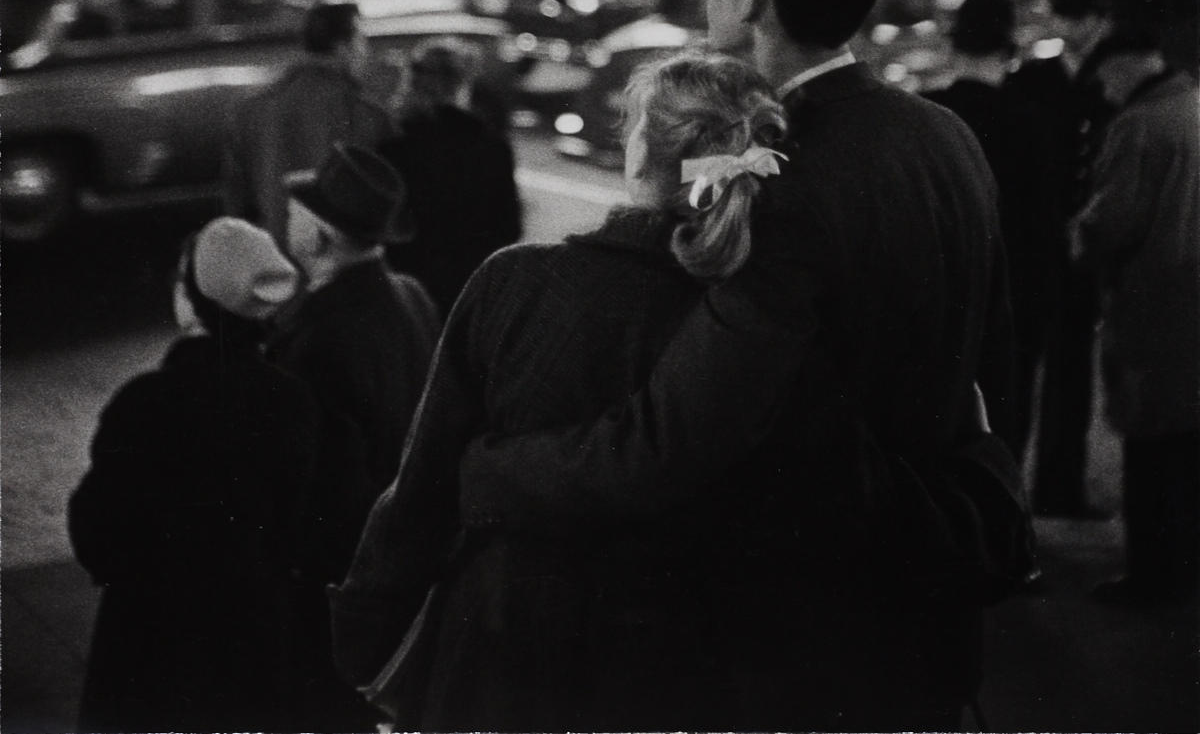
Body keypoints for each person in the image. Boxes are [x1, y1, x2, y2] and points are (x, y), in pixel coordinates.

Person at [453, 0, 1019, 730]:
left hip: (807, 644)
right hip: (935, 625)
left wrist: (490, 472)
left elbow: (670, 439)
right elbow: (996, 371)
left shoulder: (772, 186)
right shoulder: (946, 136)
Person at [330, 51, 793, 733]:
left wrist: (365, 623)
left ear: (640, 152)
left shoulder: (513, 284)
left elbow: (424, 484)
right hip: (676, 663)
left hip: (501, 651)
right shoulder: (746, 317)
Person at [68, 219, 320, 734]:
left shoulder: (145, 403)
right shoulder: (291, 401)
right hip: (254, 639)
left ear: (192, 301)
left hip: (149, 639)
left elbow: (95, 527)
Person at [270, 140, 441, 730]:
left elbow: (313, 483)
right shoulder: (412, 298)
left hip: (333, 585)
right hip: (399, 564)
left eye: (296, 212)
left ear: (318, 238)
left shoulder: (317, 337)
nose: (285, 218)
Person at [1073, 22, 1199, 606]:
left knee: (1149, 450)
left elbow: (1112, 222)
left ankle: (1151, 578)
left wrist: (1076, 237)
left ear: (1125, 65)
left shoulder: (1138, 125)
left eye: (1103, 77)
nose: (1101, 91)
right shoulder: (1194, 107)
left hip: (1154, 308)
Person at [926, 0, 1057, 454]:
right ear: (1010, 51)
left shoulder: (923, 115)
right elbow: (1043, 234)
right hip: (1007, 308)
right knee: (997, 444)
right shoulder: (1032, 127)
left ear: (953, 44)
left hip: (927, 306)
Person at [1009, 0, 1114, 516]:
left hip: (1081, 244)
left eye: (1080, 16)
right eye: (1064, 14)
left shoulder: (1110, 78)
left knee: (1072, 372)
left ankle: (1059, 486)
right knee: (1020, 372)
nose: (1069, 27)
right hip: (1036, 243)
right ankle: (1011, 487)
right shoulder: (1033, 79)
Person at [223, 0, 390, 248]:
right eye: (361, 40)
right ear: (343, 47)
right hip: (337, 261)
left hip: (276, 257)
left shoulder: (252, 110)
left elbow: (236, 202)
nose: (365, 52)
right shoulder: (362, 113)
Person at [382, 38, 523, 313]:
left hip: (404, 291)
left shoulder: (393, 147)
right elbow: (509, 228)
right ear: (463, 85)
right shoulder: (492, 148)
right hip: (467, 290)